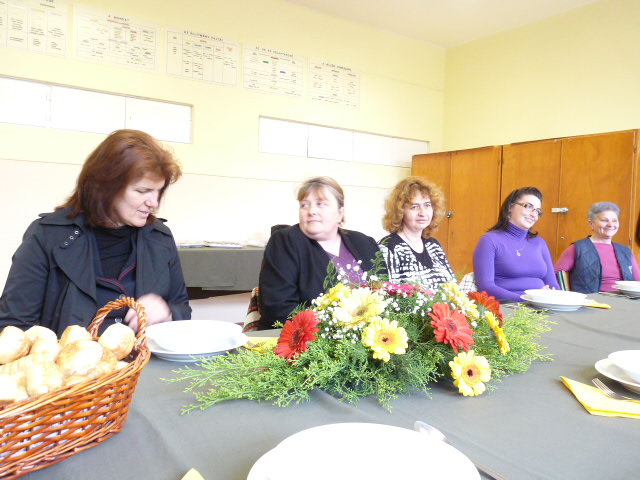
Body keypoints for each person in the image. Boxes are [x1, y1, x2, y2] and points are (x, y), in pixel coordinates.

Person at [0, 129, 191, 335]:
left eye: (158, 191)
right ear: (106, 187)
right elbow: (14, 326)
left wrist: (167, 313)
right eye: (142, 191)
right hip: (68, 356)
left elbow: (182, 309)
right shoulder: (47, 235)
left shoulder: (160, 237)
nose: (154, 203)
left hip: (145, 355)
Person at [258, 176, 382, 329]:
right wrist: (336, 331)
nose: (311, 211)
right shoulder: (285, 241)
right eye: (304, 205)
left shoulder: (365, 243)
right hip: (309, 338)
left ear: (340, 212)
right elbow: (278, 309)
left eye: (321, 204)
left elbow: (384, 294)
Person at [473, 186, 559, 301]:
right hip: (508, 306)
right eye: (528, 207)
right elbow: (486, 287)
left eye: (538, 211)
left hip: (541, 305)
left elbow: (552, 284)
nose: (534, 215)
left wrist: (554, 297)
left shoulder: (540, 243)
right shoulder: (489, 241)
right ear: (510, 207)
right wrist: (527, 300)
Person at [378, 176, 454, 289]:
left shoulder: (434, 245)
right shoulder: (388, 247)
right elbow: (389, 293)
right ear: (400, 211)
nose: (422, 213)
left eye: (427, 205)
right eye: (414, 207)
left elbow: (453, 286)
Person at [554, 202, 640, 293]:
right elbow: (556, 275)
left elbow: (638, 281)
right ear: (591, 224)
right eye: (604, 220)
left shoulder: (625, 251)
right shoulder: (577, 248)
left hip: (625, 298)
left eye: (614, 221)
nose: (611, 224)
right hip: (592, 299)